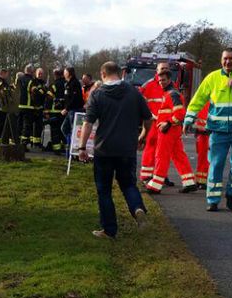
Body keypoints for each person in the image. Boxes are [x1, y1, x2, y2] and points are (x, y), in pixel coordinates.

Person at [77, 61, 151, 239]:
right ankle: (137, 208)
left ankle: (109, 230)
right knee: (128, 185)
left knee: (104, 191)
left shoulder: (97, 94)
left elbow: (87, 124)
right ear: (120, 73)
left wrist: (81, 147)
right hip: (127, 148)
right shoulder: (134, 92)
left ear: (102, 74)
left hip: (104, 150)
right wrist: (143, 135)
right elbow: (148, 118)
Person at [184, 47, 232, 212]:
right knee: (216, 164)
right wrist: (188, 118)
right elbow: (198, 99)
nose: (228, 62)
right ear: (221, 60)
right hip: (218, 131)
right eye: (225, 59)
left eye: (231, 59)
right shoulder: (212, 77)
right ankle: (212, 200)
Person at [146, 63, 198, 194]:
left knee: (161, 156)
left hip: (168, 131)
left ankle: (155, 186)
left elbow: (180, 114)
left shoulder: (172, 94)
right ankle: (189, 182)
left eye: (163, 80)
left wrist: (167, 123)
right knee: (179, 156)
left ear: (170, 80)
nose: (161, 83)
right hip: (172, 130)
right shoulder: (170, 93)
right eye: (159, 80)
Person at [138, 75, 164, 182]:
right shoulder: (148, 85)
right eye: (161, 69)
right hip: (152, 121)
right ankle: (146, 175)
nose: (163, 72)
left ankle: (161, 175)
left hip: (164, 123)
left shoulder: (171, 85)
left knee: (162, 151)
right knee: (150, 147)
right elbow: (140, 100)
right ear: (156, 71)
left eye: (165, 69)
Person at [60, 67, 84, 149]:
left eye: (65, 72)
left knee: (73, 129)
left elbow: (75, 98)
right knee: (64, 128)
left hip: (74, 110)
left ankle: (73, 147)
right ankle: (71, 144)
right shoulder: (67, 83)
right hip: (69, 110)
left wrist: (66, 109)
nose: (64, 74)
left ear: (69, 73)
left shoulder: (75, 83)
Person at [46, 68, 66, 153]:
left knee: (55, 131)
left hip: (54, 112)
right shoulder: (67, 84)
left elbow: (49, 99)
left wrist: (46, 111)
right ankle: (65, 148)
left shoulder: (53, 85)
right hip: (64, 112)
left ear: (55, 75)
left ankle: (56, 149)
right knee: (64, 130)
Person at [192, 101, 211, 189]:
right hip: (204, 134)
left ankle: (200, 181)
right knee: (204, 159)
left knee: (203, 159)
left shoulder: (203, 103)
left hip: (205, 134)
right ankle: (201, 181)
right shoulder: (209, 104)